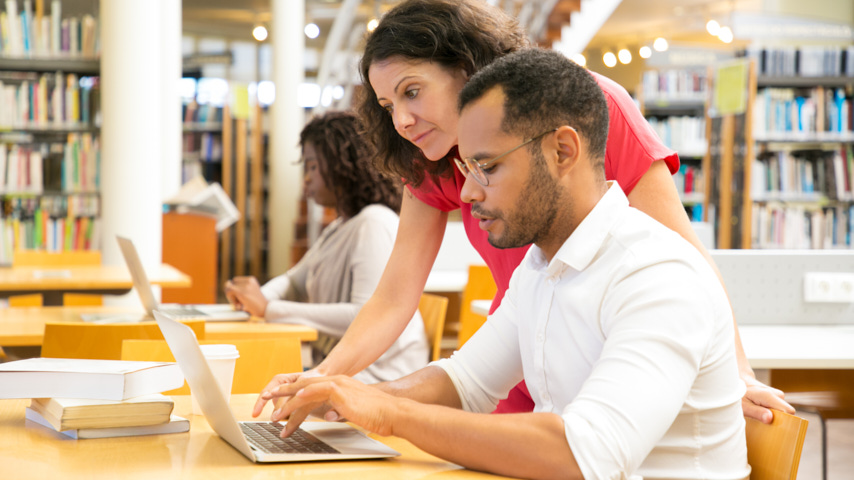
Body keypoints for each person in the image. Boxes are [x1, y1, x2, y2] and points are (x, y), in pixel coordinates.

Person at [263, 0, 792, 421]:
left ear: (466, 68)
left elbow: (685, 259)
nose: (401, 119)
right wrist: (327, 378)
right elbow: (395, 295)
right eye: (386, 106)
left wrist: (738, 374)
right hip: (517, 349)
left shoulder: (588, 110)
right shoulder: (428, 155)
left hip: (613, 356)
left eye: (413, 92)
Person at [224, 111, 428, 383]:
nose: (306, 179)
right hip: (345, 371)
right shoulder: (340, 226)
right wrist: (258, 298)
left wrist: (269, 309)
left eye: (311, 167)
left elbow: (362, 315)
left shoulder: (373, 223)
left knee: (255, 382)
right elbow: (293, 281)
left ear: (342, 165)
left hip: (378, 378)